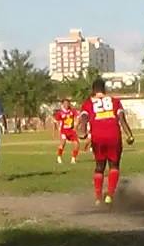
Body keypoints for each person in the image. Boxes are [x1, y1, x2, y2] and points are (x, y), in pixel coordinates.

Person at [78, 78, 136, 206]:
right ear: (104, 89)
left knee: (99, 166)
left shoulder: (88, 103)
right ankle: (109, 195)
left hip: (98, 137)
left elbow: (84, 117)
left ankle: (98, 197)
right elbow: (121, 119)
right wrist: (129, 135)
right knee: (114, 166)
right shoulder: (115, 102)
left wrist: (82, 131)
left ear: (93, 90)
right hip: (113, 136)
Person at [53, 98, 81, 165]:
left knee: (77, 144)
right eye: (65, 103)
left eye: (67, 103)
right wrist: (57, 130)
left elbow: (77, 117)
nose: (66, 105)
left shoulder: (72, 111)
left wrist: (76, 125)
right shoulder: (60, 112)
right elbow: (56, 121)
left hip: (71, 130)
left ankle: (73, 159)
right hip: (63, 131)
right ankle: (59, 157)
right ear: (62, 104)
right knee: (63, 143)